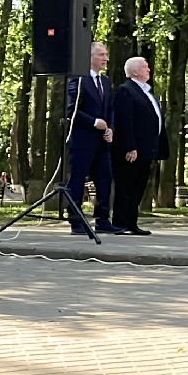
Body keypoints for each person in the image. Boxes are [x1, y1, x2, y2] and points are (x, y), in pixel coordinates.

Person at [64, 42, 120, 235]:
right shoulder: (78, 80)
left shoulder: (105, 81)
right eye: (101, 55)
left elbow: (110, 109)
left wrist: (110, 128)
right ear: (89, 57)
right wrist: (94, 122)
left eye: (106, 55)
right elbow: (72, 110)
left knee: (105, 179)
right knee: (78, 180)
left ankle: (103, 219)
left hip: (102, 141)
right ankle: (76, 220)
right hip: (82, 139)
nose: (105, 59)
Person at [109, 56, 168, 236]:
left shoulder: (146, 91)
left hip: (147, 149)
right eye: (145, 67)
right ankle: (120, 223)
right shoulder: (126, 91)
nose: (149, 70)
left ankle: (131, 223)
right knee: (126, 185)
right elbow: (125, 121)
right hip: (132, 150)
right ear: (135, 71)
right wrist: (129, 146)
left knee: (138, 186)